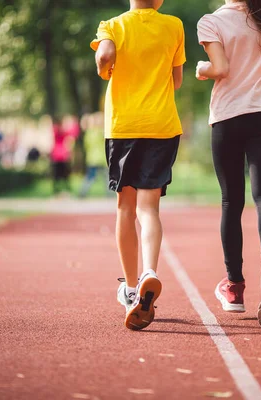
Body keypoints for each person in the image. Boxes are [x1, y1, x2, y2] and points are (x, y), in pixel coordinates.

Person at [196, 0, 261, 328]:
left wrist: (202, 69)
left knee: (231, 202)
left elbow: (221, 68)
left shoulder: (210, 22)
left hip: (228, 116)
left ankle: (234, 288)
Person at [91, 0, 185, 330]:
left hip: (124, 127)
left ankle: (132, 290)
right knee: (149, 209)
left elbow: (104, 57)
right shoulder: (173, 26)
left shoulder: (113, 26)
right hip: (162, 126)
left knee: (124, 208)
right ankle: (150, 271)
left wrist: (105, 70)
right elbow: (176, 81)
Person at [79, 112, 109, 198]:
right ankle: (109, 194)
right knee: (106, 178)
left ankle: (83, 192)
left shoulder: (88, 133)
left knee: (90, 177)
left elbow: (86, 145)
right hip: (101, 158)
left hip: (92, 158)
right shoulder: (100, 132)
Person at [50, 117, 72, 194]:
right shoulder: (61, 130)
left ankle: (57, 190)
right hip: (62, 155)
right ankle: (65, 189)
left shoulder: (55, 130)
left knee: (57, 175)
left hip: (57, 155)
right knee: (64, 174)